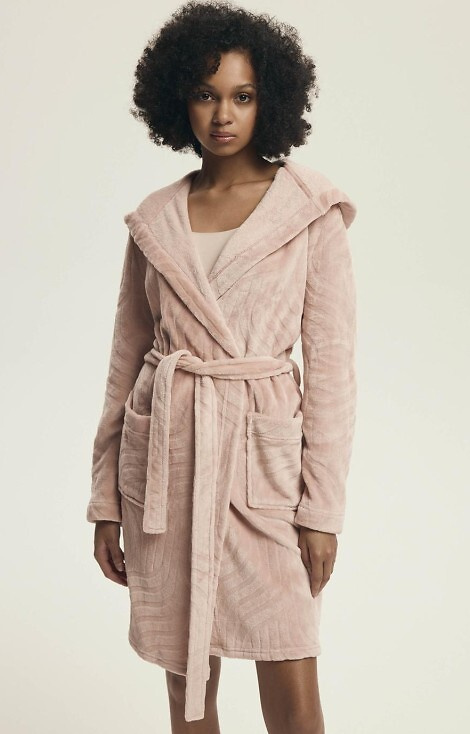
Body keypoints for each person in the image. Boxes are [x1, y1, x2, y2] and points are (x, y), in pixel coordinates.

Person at [86, 2, 357, 732]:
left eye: (242, 95)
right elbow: (124, 364)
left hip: (263, 474)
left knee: (291, 679)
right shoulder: (155, 220)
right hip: (168, 465)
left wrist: (321, 512)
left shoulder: (309, 212)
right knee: (187, 688)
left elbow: (332, 376)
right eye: (206, 95)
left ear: (271, 100)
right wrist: (106, 500)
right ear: (179, 99)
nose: (223, 115)